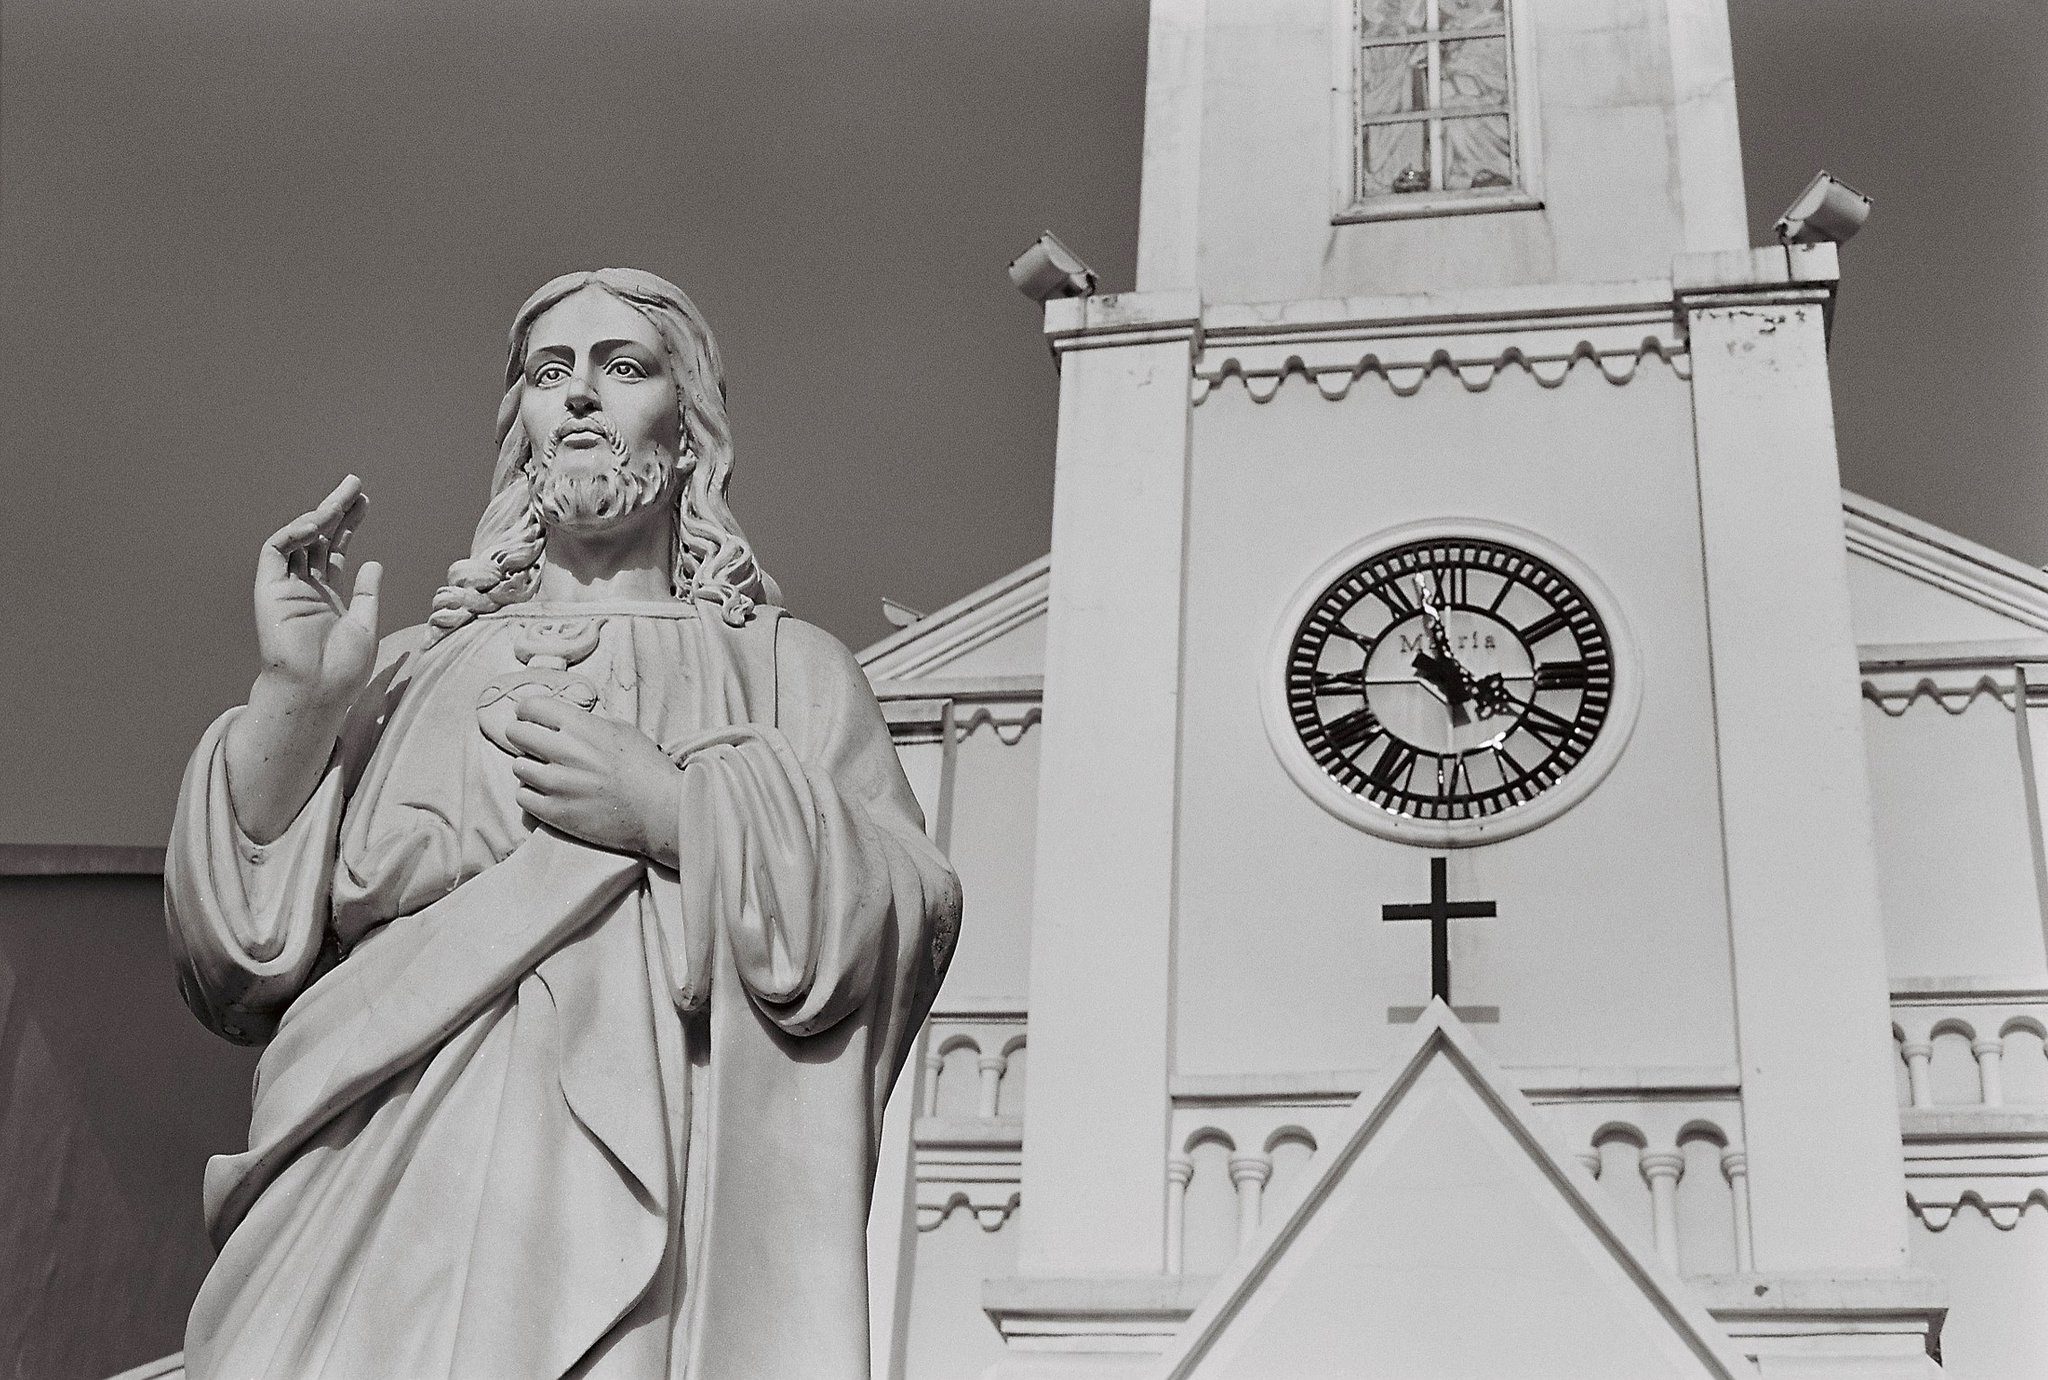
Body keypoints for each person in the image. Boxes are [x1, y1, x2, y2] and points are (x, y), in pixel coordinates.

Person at [166, 268, 961, 1379]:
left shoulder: (788, 669)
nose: (580, 395)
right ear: (522, 432)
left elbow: (902, 910)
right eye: (551, 373)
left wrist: (677, 814)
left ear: (688, 433)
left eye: (622, 367)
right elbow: (237, 957)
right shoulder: (399, 677)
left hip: (653, 1200)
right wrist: (297, 701)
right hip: (374, 1190)